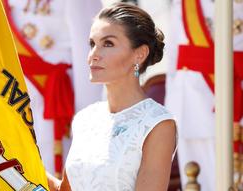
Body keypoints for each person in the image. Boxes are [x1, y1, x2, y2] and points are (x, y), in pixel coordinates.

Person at [49, 2, 177, 191]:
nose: (93, 54)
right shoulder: (85, 119)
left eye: (108, 44)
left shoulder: (158, 124)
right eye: (92, 44)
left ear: (139, 54)